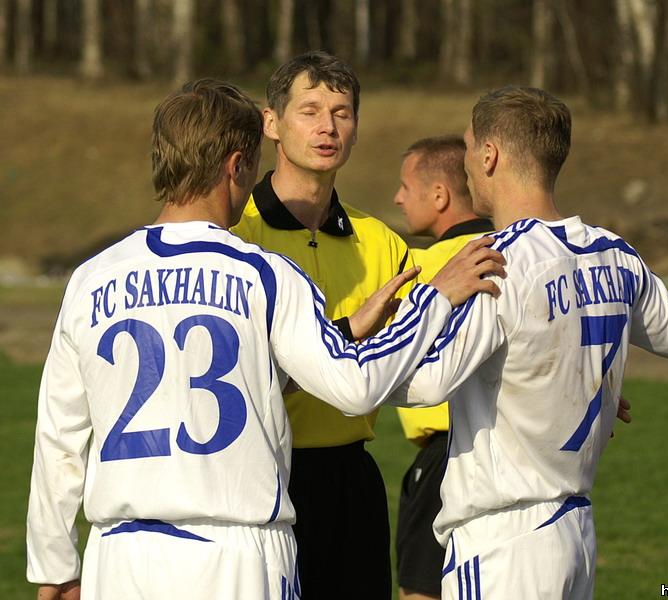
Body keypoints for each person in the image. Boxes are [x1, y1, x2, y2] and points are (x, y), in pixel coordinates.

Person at [25, 79, 506, 600]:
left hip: (121, 554)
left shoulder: (91, 277)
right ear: (236, 166)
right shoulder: (265, 275)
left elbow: (58, 434)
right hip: (236, 553)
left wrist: (53, 562)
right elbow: (355, 386)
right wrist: (435, 298)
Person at [391, 87, 668, 599]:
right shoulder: (615, 256)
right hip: (575, 533)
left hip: (502, 542)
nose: (467, 165)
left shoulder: (494, 264)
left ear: (490, 156)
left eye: (471, 149)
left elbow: (414, 378)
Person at [230, 51, 414, 599]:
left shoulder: (381, 241)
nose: (328, 127)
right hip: (261, 481)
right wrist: (348, 330)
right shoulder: (238, 234)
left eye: (342, 112)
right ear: (271, 122)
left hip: (352, 482)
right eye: (310, 110)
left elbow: (444, 339)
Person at [392, 135, 493, 600]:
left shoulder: (418, 267)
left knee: (422, 592)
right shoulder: (514, 252)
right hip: (508, 449)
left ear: (439, 195)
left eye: (406, 187)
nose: (397, 198)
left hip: (443, 455)